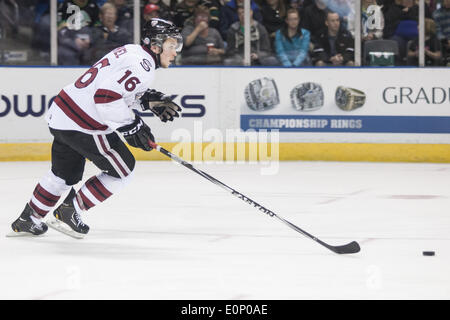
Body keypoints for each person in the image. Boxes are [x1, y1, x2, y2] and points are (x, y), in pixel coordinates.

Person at [9, 18, 183, 238]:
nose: (175, 52)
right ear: (156, 46)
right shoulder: (143, 67)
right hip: (83, 123)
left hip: (62, 115)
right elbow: (105, 97)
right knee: (122, 170)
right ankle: (70, 210)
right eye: (171, 46)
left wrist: (145, 100)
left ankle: (28, 218)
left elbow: (110, 88)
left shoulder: (131, 51)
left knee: (63, 175)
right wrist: (131, 126)